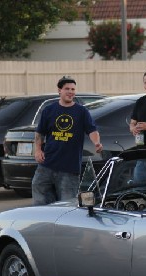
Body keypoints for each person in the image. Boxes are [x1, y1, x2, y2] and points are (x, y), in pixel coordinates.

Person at [32, 75, 103, 205]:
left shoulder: (81, 111)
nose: (71, 92)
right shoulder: (49, 110)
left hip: (69, 168)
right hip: (47, 164)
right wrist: (37, 150)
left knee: (67, 205)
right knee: (40, 198)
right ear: (59, 91)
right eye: (67, 89)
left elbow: (92, 130)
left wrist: (96, 142)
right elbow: (40, 133)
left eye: (73, 89)